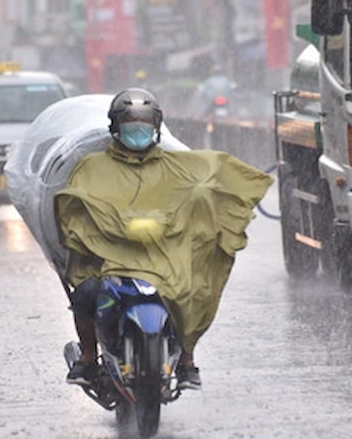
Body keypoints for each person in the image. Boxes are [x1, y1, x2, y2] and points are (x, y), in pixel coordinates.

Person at [55, 88, 273, 390]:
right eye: (130, 122)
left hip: (168, 257)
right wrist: (108, 223)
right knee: (84, 294)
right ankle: (89, 360)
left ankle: (186, 360)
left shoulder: (178, 166)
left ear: (156, 126)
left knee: (194, 288)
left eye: (144, 122)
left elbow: (208, 179)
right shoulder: (93, 167)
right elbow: (74, 203)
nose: (137, 129)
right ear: (116, 126)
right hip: (111, 259)